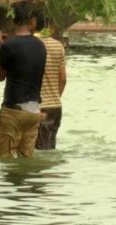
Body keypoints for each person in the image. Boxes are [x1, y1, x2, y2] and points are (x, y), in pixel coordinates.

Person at [0, 2, 46, 158]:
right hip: (34, 111)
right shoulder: (40, 45)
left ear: (13, 20)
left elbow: (0, 77)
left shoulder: (8, 46)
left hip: (13, 110)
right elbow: (24, 67)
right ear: (31, 20)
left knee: (3, 158)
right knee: (25, 159)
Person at [34, 11, 67, 150]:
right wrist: (55, 96)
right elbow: (63, 79)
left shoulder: (31, 45)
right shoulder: (58, 46)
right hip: (55, 106)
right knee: (49, 146)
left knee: (35, 149)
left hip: (36, 106)